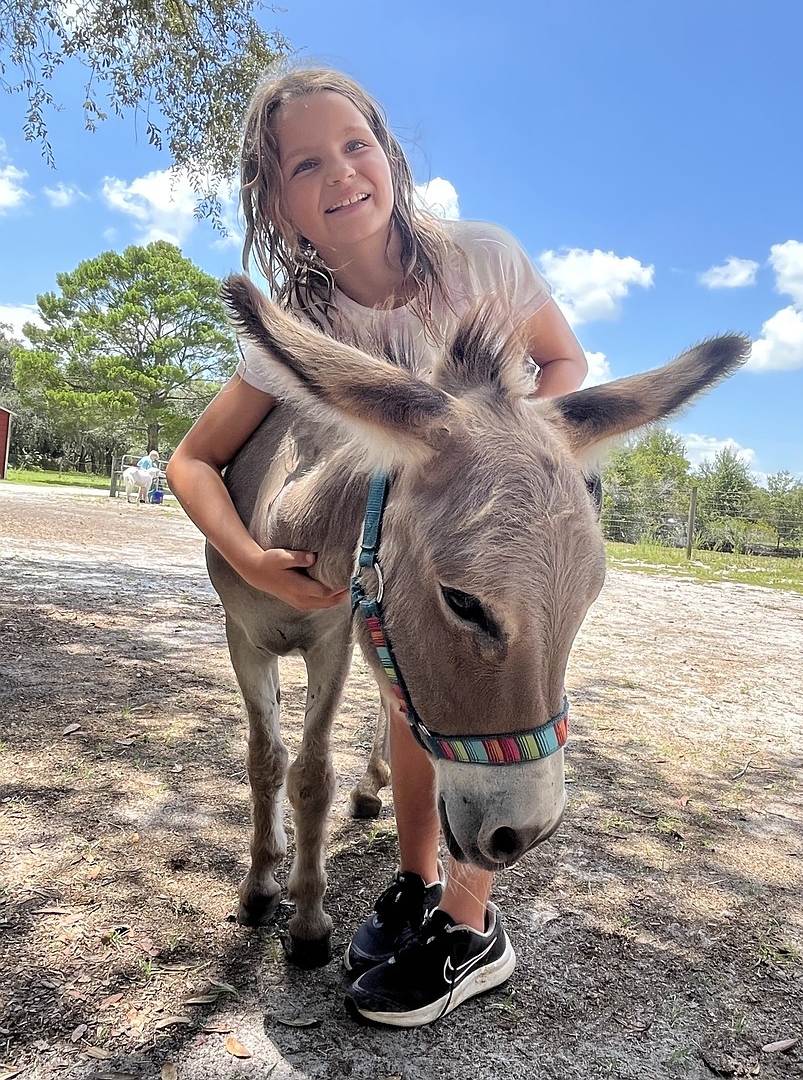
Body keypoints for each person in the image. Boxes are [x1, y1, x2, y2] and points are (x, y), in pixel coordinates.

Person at [167, 65, 590, 1027]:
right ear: (276, 203)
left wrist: (509, 446)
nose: (340, 173)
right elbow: (193, 459)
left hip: (490, 530)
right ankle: (417, 879)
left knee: (485, 671)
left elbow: (562, 358)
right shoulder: (302, 328)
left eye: (356, 145)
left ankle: (471, 927)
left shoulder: (481, 259)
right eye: (304, 164)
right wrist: (248, 557)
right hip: (399, 547)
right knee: (409, 692)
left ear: (389, 156)